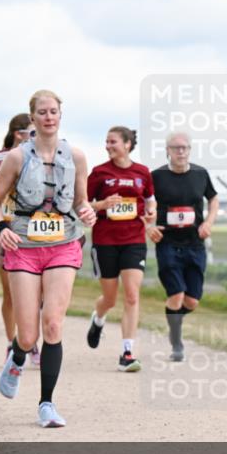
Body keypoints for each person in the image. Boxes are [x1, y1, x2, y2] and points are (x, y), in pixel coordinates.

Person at [0, 90, 96, 428]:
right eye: (42, 112)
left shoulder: (76, 157)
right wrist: (2, 226)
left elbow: (81, 200)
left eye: (54, 111)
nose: (49, 117)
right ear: (32, 118)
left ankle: (46, 404)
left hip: (63, 243)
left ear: (61, 115)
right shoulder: (17, 158)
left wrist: (87, 211)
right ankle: (18, 356)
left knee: (53, 323)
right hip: (23, 245)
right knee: (29, 335)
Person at [86, 126, 156, 372]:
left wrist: (151, 212)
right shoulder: (99, 173)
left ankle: (127, 352)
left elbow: (149, 199)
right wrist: (103, 204)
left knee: (132, 295)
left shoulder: (142, 172)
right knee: (110, 298)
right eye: (106, 142)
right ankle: (98, 318)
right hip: (105, 240)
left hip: (134, 240)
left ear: (127, 144)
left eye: (113, 141)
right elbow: (83, 205)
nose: (108, 146)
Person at [148, 131, 219, 362]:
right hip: (168, 243)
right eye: (175, 148)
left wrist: (208, 222)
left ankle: (174, 321)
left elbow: (214, 198)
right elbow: (143, 202)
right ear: (167, 150)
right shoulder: (156, 176)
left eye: (184, 147)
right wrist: (148, 226)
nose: (180, 151)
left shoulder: (200, 174)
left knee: (192, 301)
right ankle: (176, 342)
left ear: (190, 150)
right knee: (176, 295)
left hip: (195, 244)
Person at [0, 113, 36, 360]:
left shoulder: (40, 157)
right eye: (31, 133)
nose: (36, 137)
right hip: (6, 229)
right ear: (18, 134)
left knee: (36, 293)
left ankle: (31, 341)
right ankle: (11, 342)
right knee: (10, 292)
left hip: (35, 230)